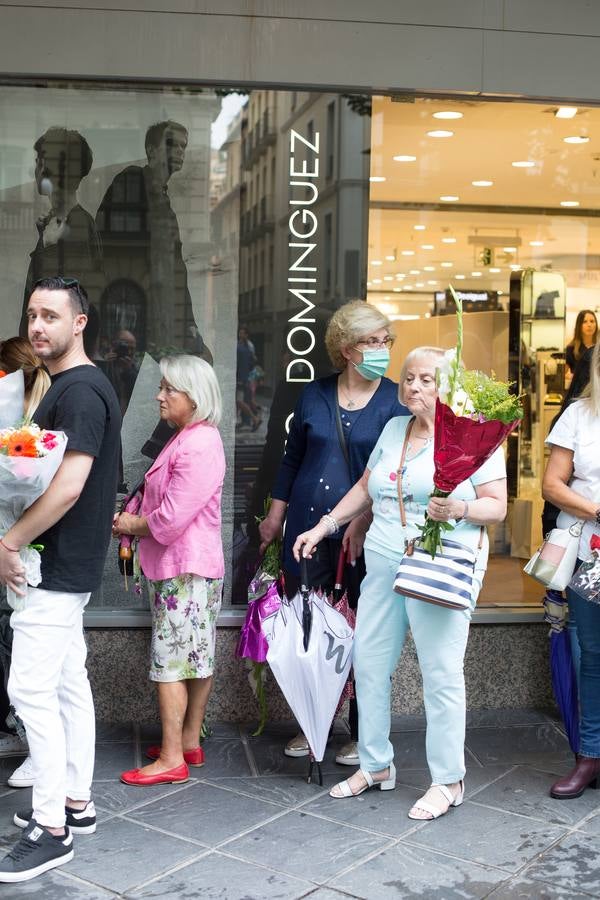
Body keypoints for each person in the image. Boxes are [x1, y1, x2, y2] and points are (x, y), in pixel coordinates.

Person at [293, 346, 507, 818]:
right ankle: (375, 765)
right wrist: (324, 526)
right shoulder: (394, 429)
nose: (412, 386)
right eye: (408, 378)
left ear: (447, 386)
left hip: (439, 562)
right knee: (368, 664)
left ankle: (448, 780)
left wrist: (462, 508)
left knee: (440, 674)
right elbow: (366, 489)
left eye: (426, 379)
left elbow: (497, 504)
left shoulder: (473, 436)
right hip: (386, 558)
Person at [0, 276, 120, 883]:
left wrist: (8, 541)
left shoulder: (79, 391)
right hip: (63, 562)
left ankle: (52, 829)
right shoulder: (72, 386)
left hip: (55, 564)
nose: (37, 326)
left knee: (30, 691)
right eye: (31, 315)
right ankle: (76, 801)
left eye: (50, 315)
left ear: (80, 322)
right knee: (69, 683)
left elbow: (69, 485)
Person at [259, 300, 407, 764]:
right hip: (306, 527)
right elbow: (291, 459)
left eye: (386, 341)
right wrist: (276, 517)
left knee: (364, 632)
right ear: (346, 348)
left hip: (364, 534)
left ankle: (361, 732)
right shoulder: (314, 395)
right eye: (372, 342)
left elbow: (394, 472)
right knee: (309, 632)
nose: (382, 349)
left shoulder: (396, 399)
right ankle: (313, 721)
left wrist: (361, 519)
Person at [112, 355, 225, 787]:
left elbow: (169, 520)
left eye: (168, 389)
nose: (159, 396)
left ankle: (173, 758)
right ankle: (189, 741)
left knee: (171, 660)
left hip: (185, 569)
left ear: (193, 397)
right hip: (190, 567)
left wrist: (127, 524)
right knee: (194, 656)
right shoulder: (192, 437)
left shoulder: (197, 443)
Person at [543, 340, 600, 799]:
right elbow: (552, 484)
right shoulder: (579, 415)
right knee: (594, 656)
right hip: (589, 553)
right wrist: (596, 510)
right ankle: (589, 756)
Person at [0, 338, 51, 773]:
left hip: (16, 547)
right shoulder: (24, 428)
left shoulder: (27, 435)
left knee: (20, 647)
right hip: (16, 544)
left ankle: (36, 747)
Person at [18, 128, 103, 336]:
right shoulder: (60, 223)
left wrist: (46, 248)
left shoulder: (76, 227)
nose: (35, 170)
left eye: (40, 160)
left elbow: (62, 307)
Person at [566, 310, 598, 375]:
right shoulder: (571, 349)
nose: (589, 325)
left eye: (592, 321)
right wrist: (568, 376)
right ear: (579, 325)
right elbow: (562, 375)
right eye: (584, 322)